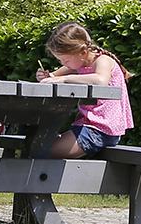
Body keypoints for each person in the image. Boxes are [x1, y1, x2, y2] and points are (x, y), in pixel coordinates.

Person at [34, 20, 133, 158]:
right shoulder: (79, 62)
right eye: (60, 60)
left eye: (66, 60)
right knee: (36, 146)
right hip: (88, 126)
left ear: (83, 52)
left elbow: (101, 80)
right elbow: (54, 76)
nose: (63, 64)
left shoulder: (102, 61)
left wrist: (64, 79)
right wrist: (46, 76)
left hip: (101, 130)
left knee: (42, 151)